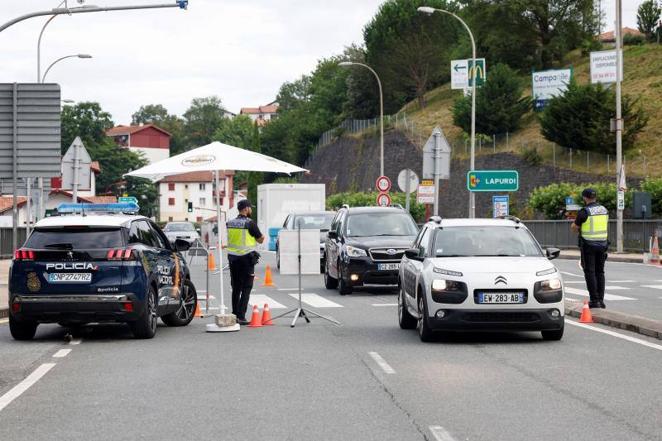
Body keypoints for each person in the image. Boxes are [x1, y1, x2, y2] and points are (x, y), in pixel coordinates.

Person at [226, 200, 264, 324]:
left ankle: (234, 314)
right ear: (246, 209)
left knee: (236, 287)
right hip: (246, 259)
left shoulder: (230, 223)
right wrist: (261, 237)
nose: (251, 210)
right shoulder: (250, 223)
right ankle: (241, 316)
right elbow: (260, 239)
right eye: (250, 208)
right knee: (247, 287)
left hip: (233, 258)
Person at [571, 188, 609, 309]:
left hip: (589, 246)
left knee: (590, 272)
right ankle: (601, 300)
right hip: (603, 245)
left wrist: (574, 224)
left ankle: (594, 300)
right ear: (595, 197)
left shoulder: (585, 211)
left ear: (585, 198)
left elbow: (574, 227)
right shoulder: (604, 209)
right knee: (600, 272)